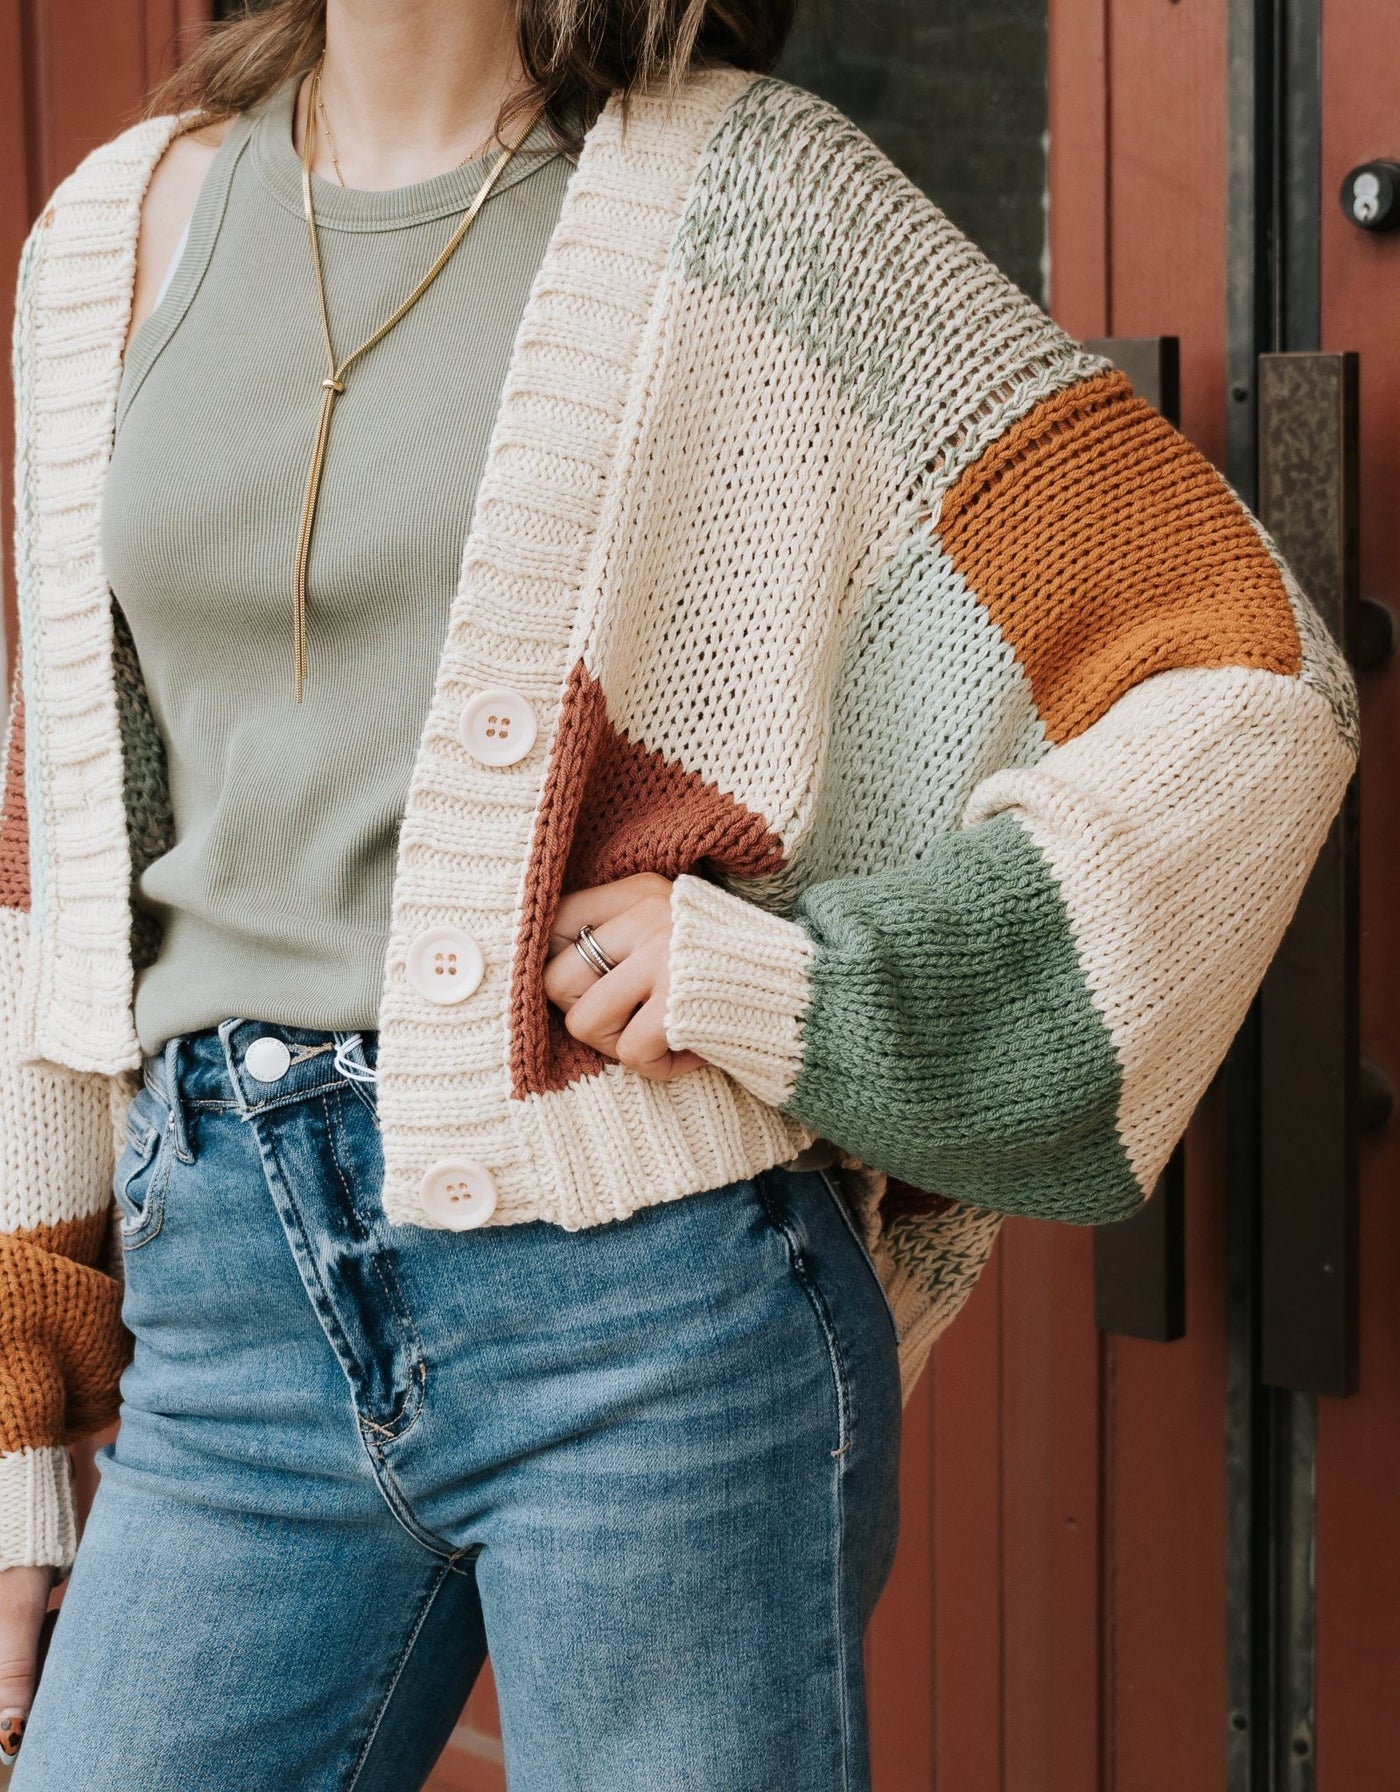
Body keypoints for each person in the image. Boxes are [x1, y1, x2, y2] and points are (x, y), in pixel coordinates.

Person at [0, 0, 1357, 1785]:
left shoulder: (753, 202)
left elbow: (1246, 682)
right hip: (228, 1315)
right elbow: (62, 853)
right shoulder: (110, 229)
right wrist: (27, 1419)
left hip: (643, 1323)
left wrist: (801, 981)